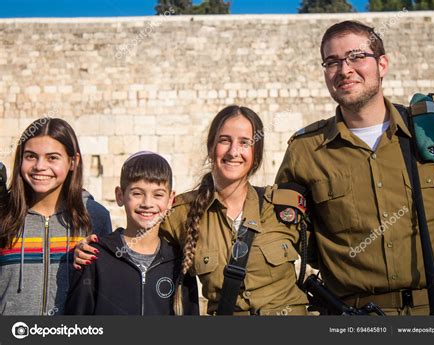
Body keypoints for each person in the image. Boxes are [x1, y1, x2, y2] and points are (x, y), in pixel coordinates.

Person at [276, 20, 434, 315]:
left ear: (382, 64)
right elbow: (292, 238)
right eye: (332, 62)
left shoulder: (431, 131)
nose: (344, 70)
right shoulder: (305, 151)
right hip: (356, 317)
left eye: (356, 56)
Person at [75, 105, 309, 316]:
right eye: (224, 140)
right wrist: (95, 250)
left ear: (256, 153)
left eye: (245, 143)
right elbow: (139, 236)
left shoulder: (283, 207)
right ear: (211, 148)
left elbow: (323, 256)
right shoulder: (181, 214)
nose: (233, 151)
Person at [0, 118, 111, 315]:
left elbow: (104, 291)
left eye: (52, 158)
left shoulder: (96, 216)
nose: (40, 166)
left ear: (72, 162)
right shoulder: (4, 214)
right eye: (30, 156)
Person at [65, 151, 199, 315]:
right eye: (137, 193)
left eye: (158, 195)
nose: (147, 203)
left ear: (171, 200)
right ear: (120, 196)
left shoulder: (179, 263)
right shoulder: (95, 257)